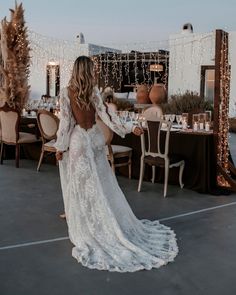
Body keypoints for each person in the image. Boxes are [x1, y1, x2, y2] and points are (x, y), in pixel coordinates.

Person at [54, 56, 178, 272]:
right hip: (94, 138)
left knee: (82, 185)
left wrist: (59, 146)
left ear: (75, 70)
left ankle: (88, 224)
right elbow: (109, 118)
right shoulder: (93, 92)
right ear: (89, 70)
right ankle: (103, 221)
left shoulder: (66, 92)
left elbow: (65, 123)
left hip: (78, 142)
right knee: (102, 184)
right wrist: (130, 128)